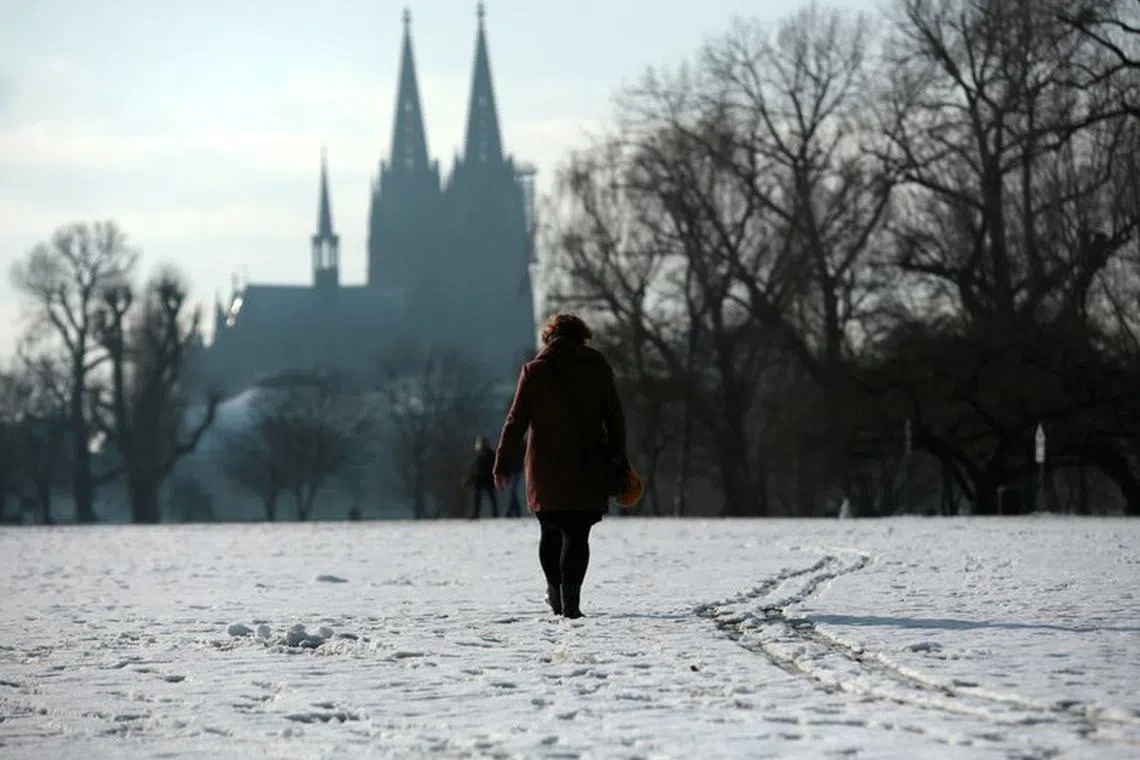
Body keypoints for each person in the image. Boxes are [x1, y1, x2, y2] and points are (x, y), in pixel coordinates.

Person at [493, 313, 629, 618]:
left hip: (545, 467)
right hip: (588, 463)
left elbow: (515, 422)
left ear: (549, 338)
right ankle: (572, 603)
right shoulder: (597, 367)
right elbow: (615, 418)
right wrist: (619, 458)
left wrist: (501, 463)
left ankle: (555, 591)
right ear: (582, 337)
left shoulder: (535, 371)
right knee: (578, 534)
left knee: (550, 530)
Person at [466, 436, 498, 519]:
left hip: (487, 479)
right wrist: (469, 478)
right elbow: (474, 468)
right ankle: (476, 513)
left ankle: (495, 514)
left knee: (491, 498)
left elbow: (493, 467)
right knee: (477, 498)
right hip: (479, 480)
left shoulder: (490, 454)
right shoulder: (480, 455)